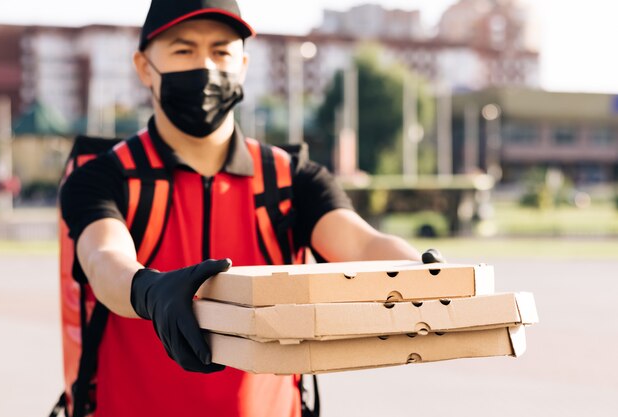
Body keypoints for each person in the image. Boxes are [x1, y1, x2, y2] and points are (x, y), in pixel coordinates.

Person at [59, 0, 443, 416]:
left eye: (221, 51)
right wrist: (149, 292)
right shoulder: (105, 175)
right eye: (183, 50)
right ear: (144, 66)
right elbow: (104, 259)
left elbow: (361, 243)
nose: (205, 66)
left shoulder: (290, 178)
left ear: (242, 64)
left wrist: (424, 271)